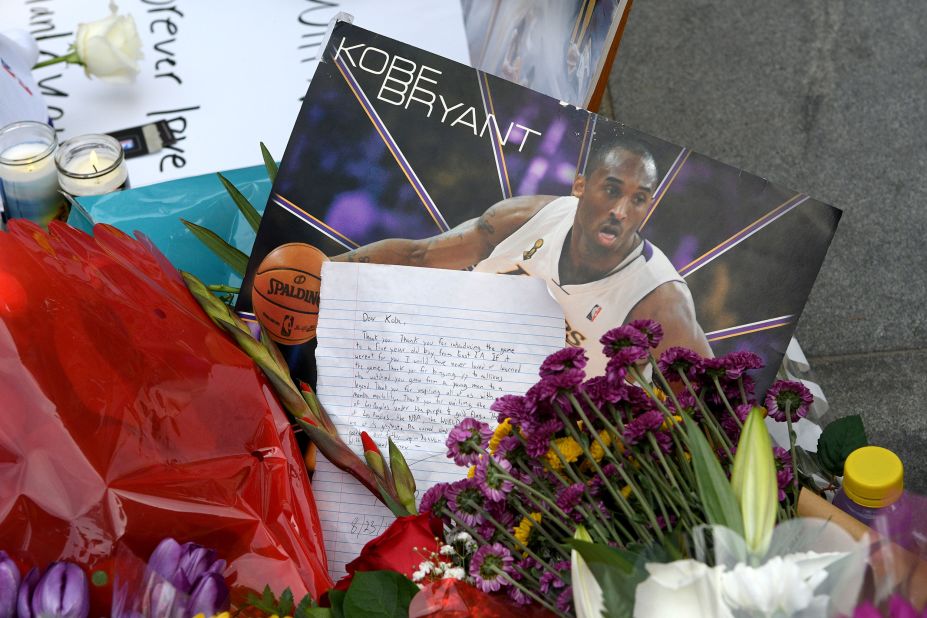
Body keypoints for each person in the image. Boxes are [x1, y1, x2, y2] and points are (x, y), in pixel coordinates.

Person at [334, 133, 712, 377]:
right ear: (580, 185)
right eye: (612, 190)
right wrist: (324, 271)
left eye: (638, 199)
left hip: (553, 449)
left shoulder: (660, 301)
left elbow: (710, 403)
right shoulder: (523, 219)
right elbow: (420, 255)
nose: (620, 210)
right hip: (459, 373)